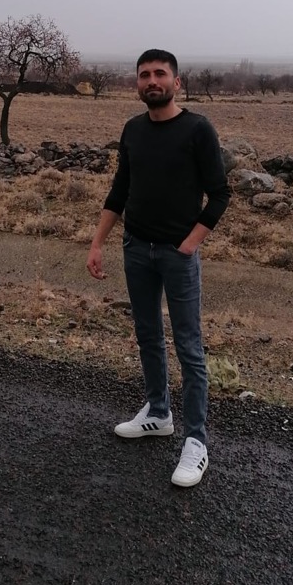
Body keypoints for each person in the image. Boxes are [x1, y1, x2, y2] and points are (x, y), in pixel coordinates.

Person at [86, 49, 230, 487]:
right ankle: (158, 412)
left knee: (189, 346)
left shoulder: (198, 129)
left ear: (176, 82)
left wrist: (188, 245)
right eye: (144, 75)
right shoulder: (133, 129)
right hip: (135, 249)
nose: (152, 81)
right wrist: (98, 243)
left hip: (176, 255)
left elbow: (220, 194)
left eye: (160, 74)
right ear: (137, 83)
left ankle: (196, 442)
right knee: (147, 334)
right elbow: (120, 190)